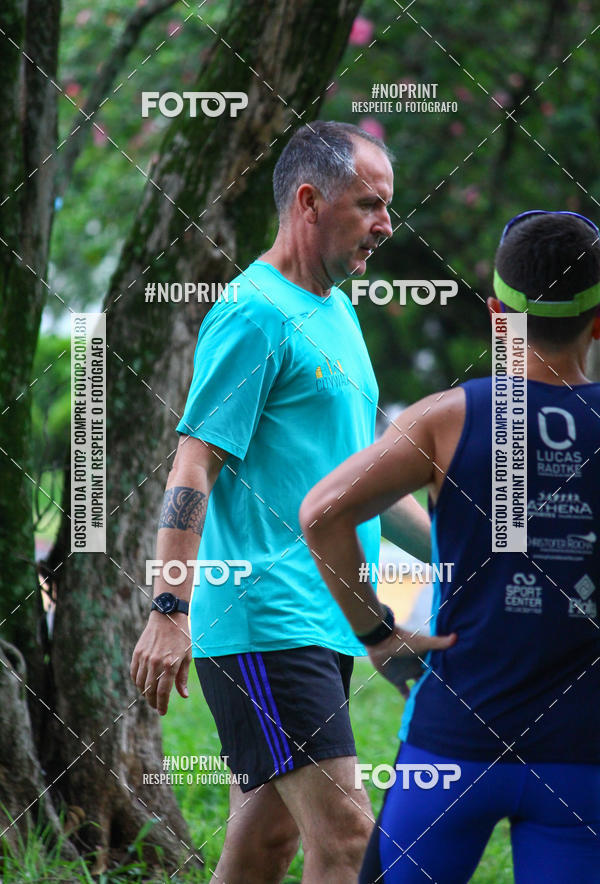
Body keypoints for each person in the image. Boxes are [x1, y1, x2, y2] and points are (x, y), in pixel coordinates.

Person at [130, 120, 439, 884]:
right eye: (369, 204)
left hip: (326, 616)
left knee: (265, 844)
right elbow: (194, 461)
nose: (385, 226)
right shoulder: (254, 313)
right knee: (348, 839)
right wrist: (168, 608)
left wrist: (464, 552)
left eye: (387, 206)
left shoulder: (337, 312)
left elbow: (359, 469)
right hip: (265, 616)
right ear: (309, 199)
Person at [300, 211, 600, 883]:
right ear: (599, 320)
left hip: (454, 745)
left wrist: (375, 631)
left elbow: (321, 513)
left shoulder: (446, 417)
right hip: (583, 756)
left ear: (498, 314)